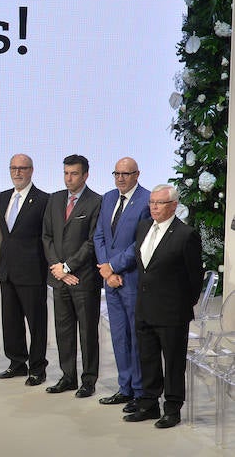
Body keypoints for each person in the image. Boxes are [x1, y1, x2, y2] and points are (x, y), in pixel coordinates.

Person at [124, 184, 202, 429]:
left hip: (172, 311)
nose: (154, 207)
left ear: (173, 206)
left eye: (160, 203)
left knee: (174, 362)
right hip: (145, 307)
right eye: (152, 203)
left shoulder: (185, 234)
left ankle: (172, 409)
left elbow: (194, 279)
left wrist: (181, 305)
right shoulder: (144, 227)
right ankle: (149, 405)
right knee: (147, 358)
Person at [94, 157, 151, 411]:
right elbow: (99, 236)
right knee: (118, 336)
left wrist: (114, 267)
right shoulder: (107, 198)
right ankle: (125, 387)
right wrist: (107, 271)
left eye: (126, 174)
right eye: (116, 173)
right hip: (111, 280)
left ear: (137, 175)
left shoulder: (146, 200)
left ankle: (140, 391)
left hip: (131, 279)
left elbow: (140, 243)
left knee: (135, 336)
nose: (120, 178)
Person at [42, 154, 102, 397]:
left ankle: (88, 380)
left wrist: (67, 268)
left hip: (83, 278)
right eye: (66, 173)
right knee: (63, 330)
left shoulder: (96, 201)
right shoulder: (55, 199)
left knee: (87, 332)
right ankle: (68, 377)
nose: (69, 178)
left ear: (85, 175)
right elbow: (46, 237)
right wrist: (58, 267)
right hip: (59, 278)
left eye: (74, 173)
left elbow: (91, 242)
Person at [0, 154, 50, 386]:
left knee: (36, 323)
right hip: (7, 270)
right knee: (10, 320)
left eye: (23, 168)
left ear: (31, 171)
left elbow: (46, 236)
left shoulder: (43, 200)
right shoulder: (3, 197)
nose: (17, 173)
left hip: (32, 271)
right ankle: (17, 363)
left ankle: (38, 368)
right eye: (14, 168)